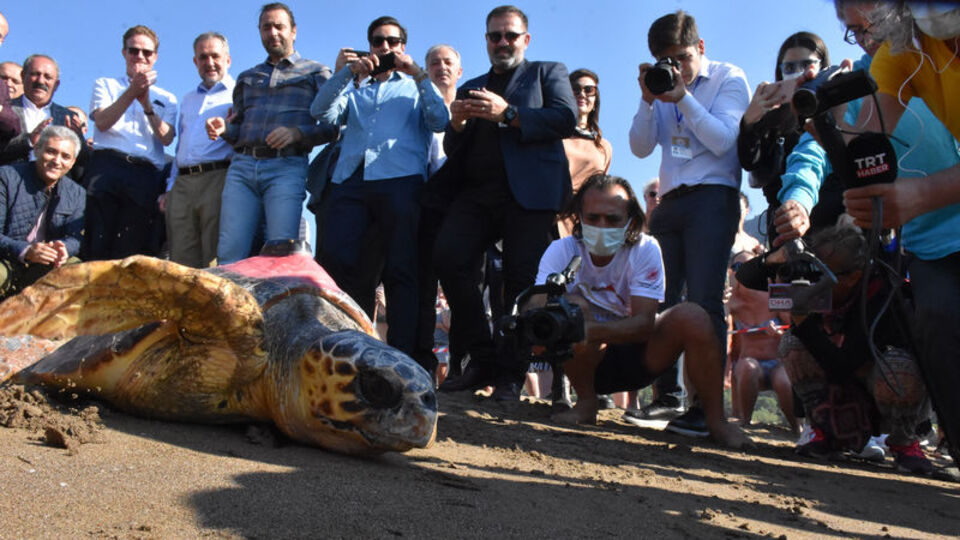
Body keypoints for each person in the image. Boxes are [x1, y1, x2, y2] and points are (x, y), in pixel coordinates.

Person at [527, 174, 750, 449]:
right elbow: (536, 307)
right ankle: (586, 404)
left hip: (642, 358)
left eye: (612, 219)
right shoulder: (560, 250)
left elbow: (644, 324)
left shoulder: (646, 248)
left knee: (694, 316)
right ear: (578, 218)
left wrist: (589, 330)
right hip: (582, 362)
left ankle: (716, 421)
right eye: (593, 217)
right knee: (569, 309)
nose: (601, 226)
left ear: (631, 220)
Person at [433, 5, 577, 400]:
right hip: (477, 194)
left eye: (510, 35)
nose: (502, 43)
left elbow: (566, 118)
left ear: (525, 40)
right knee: (448, 256)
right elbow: (454, 146)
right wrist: (458, 124)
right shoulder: (471, 86)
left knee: (521, 283)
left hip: (530, 196)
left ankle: (511, 374)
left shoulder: (548, 72)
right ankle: (482, 359)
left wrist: (509, 113)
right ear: (486, 41)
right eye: (495, 36)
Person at [628, 10, 750, 435]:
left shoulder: (728, 78)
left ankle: (706, 409)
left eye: (682, 57)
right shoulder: (660, 86)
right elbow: (640, 147)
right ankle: (667, 397)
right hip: (670, 201)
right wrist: (647, 99)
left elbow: (724, 141)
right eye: (666, 60)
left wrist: (682, 97)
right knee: (659, 298)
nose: (675, 68)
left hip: (714, 198)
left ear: (700, 47)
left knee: (702, 302)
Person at [311, 16, 448, 360]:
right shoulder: (355, 87)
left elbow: (440, 119)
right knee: (340, 265)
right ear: (369, 45)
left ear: (403, 46)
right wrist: (344, 72)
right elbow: (320, 113)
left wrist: (417, 73)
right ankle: (348, 350)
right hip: (351, 182)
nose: (384, 48)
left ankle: (401, 356)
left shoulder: (416, 86)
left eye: (392, 41)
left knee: (401, 269)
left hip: (400, 182)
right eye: (377, 41)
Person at [748, 224, 933, 472]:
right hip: (844, 387)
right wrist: (777, 258)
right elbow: (746, 276)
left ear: (853, 277)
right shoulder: (818, 291)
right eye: (814, 269)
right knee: (792, 343)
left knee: (898, 366)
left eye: (823, 273)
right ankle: (826, 432)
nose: (813, 281)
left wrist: (804, 324)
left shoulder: (882, 297)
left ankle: (905, 441)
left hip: (885, 391)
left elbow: (845, 366)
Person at [206, 2, 335, 265]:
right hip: (241, 167)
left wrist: (297, 133)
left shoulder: (316, 72)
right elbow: (238, 128)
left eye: (279, 26)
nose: (273, 32)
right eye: (266, 27)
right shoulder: (247, 77)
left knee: (281, 252)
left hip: (286, 167)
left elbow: (333, 127)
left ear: (294, 31)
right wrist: (224, 129)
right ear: (260, 32)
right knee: (230, 252)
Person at [83, 24, 177, 260]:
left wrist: (146, 105)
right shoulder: (105, 84)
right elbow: (102, 122)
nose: (140, 57)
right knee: (96, 243)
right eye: (134, 50)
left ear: (155, 57)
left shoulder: (167, 98)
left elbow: (167, 138)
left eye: (147, 53)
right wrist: (132, 92)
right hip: (107, 167)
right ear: (124, 52)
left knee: (132, 248)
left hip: (144, 175)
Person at [737, 32, 830, 245]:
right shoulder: (772, 116)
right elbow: (749, 162)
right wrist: (750, 123)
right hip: (783, 224)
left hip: (832, 224)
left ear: (822, 65)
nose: (798, 73)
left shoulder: (838, 109)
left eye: (806, 65)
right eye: (789, 68)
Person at [165, 32, 234, 269]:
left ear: (228, 59)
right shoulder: (187, 100)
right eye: (203, 57)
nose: (209, 62)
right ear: (195, 62)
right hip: (182, 184)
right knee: (180, 262)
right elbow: (181, 145)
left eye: (215, 56)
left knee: (214, 262)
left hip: (218, 178)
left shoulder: (238, 93)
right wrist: (170, 187)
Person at [415, 43, 463, 376]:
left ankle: (463, 367)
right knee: (421, 288)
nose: (441, 67)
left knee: (464, 289)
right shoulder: (415, 110)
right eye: (434, 62)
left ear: (459, 71)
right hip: (424, 208)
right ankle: (420, 363)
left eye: (448, 62)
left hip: (463, 211)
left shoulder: (471, 109)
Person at [0, 125, 84, 299]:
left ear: (73, 162)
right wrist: (26, 251)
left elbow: (76, 238)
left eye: (65, 156)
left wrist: (63, 249)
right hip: (6, 258)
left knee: (78, 274)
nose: (57, 161)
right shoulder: (6, 177)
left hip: (47, 264)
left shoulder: (77, 193)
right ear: (37, 150)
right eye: (51, 152)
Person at [726, 250, 795, 432]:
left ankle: (797, 428)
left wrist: (780, 334)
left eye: (747, 267)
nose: (742, 272)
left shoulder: (773, 294)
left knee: (783, 381)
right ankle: (744, 422)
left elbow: (796, 331)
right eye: (737, 267)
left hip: (778, 363)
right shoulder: (733, 302)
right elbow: (719, 327)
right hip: (749, 364)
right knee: (747, 367)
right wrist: (725, 299)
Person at [0, 55, 87, 174]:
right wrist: (29, 140)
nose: (40, 81)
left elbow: (82, 166)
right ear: (23, 76)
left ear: (56, 84)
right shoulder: (5, 110)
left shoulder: (69, 118)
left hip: (51, 189)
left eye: (48, 77)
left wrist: (79, 142)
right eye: (35, 74)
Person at [558, 68, 612, 237]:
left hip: (587, 223)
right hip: (553, 217)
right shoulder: (554, 136)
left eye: (589, 90)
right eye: (575, 89)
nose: (582, 94)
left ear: (596, 100)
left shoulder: (604, 147)